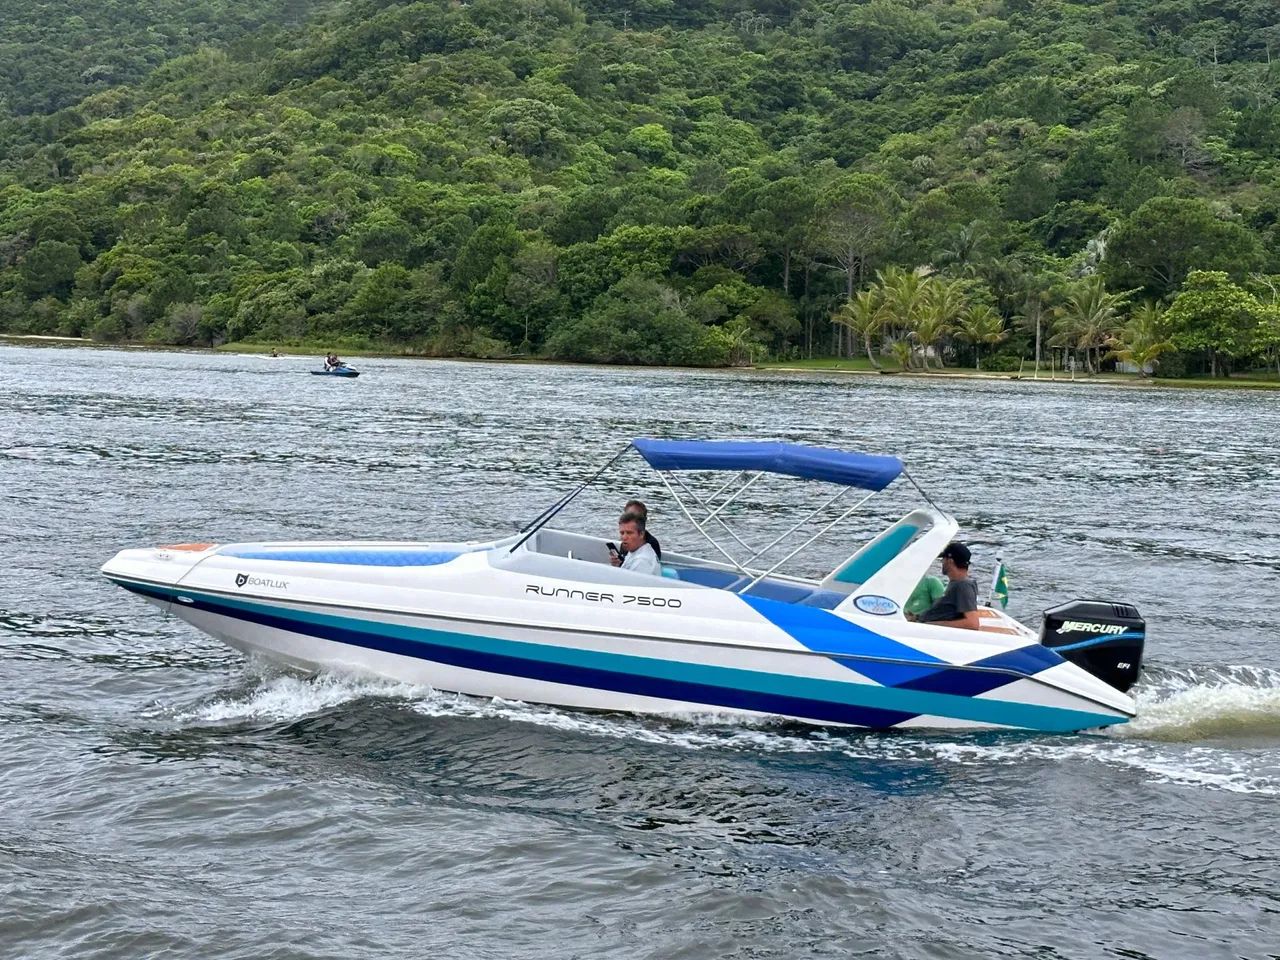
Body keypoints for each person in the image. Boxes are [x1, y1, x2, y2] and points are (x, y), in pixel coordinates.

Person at [910, 541, 980, 630]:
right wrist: (916, 618)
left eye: (943, 559)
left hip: (925, 631)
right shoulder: (957, 583)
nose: (942, 562)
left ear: (950, 561)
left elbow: (972, 624)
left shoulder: (963, 586)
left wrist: (929, 625)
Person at [610, 511, 661, 577]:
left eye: (629, 533)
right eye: (622, 533)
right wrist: (616, 566)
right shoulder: (636, 549)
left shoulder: (642, 562)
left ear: (641, 534)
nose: (624, 537)